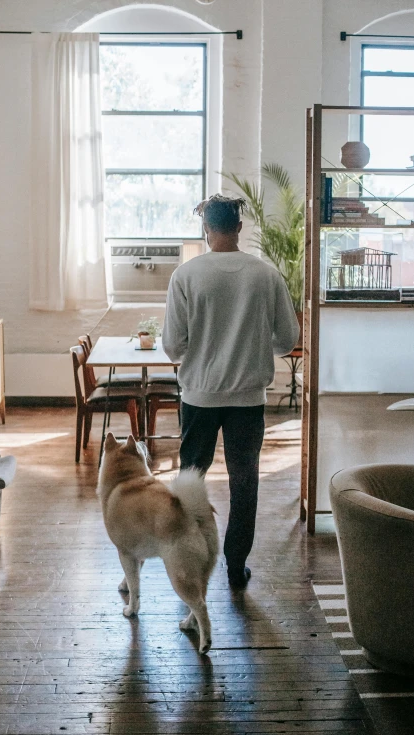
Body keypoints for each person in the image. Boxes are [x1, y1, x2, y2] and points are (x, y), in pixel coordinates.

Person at [162, 194, 299, 589]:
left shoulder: (186, 276)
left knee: (190, 479)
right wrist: (256, 347)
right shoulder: (264, 274)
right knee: (244, 481)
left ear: (206, 230)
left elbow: (173, 346)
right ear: (239, 227)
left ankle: (186, 558)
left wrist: (202, 351)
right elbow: (288, 340)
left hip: (199, 396)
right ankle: (235, 566)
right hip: (247, 399)